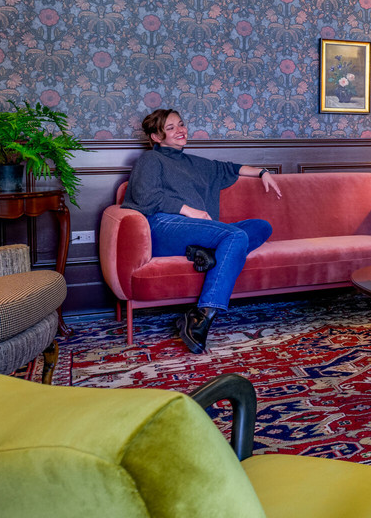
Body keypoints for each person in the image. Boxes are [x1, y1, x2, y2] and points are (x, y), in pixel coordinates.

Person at [121, 108, 283, 353]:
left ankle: (207, 252)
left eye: (181, 124)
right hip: (164, 226)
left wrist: (263, 172)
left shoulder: (195, 163)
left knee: (262, 226)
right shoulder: (150, 160)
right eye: (171, 128)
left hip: (195, 231)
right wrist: (188, 210)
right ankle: (202, 314)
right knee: (235, 235)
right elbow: (145, 197)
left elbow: (230, 168)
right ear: (156, 137)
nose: (180, 130)